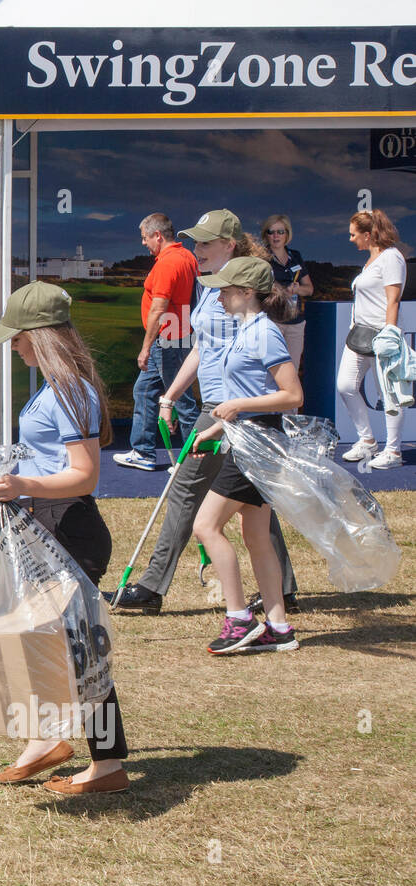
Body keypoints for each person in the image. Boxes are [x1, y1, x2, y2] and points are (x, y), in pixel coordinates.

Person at [0, 281, 129, 794]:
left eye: (18, 336)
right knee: (44, 639)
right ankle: (45, 740)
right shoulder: (54, 387)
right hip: (44, 524)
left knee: (80, 651)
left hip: (67, 527)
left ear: (41, 335)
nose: (13, 345)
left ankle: (106, 765)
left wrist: (24, 484)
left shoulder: (69, 390)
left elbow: (84, 475)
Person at [111, 210, 298, 615]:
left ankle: (152, 586)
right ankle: (283, 589)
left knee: (187, 490)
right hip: (219, 406)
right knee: (251, 498)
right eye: (196, 241)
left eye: (205, 242)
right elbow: (202, 347)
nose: (197, 249)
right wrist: (169, 396)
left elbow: (249, 358)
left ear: (229, 245)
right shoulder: (211, 285)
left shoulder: (240, 289)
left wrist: (231, 410)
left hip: (229, 409)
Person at [190, 258, 303, 653]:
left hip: (259, 443)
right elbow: (253, 395)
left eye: (225, 290)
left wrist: (236, 406)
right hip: (249, 438)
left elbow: (292, 395)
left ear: (247, 292)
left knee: (205, 526)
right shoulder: (248, 330)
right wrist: (216, 428)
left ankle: (239, 619)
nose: (218, 297)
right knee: (255, 536)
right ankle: (279, 626)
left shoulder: (264, 333)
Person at [114, 213, 200, 471]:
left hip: (168, 340)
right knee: (143, 391)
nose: (143, 243)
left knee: (182, 400)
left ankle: (195, 463)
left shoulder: (168, 263)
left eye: (145, 237)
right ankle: (143, 452)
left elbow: (158, 308)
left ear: (158, 235)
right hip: (177, 336)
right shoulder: (186, 257)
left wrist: (145, 348)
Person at [337, 209, 408, 470]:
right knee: (345, 386)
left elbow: (393, 300)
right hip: (359, 336)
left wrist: (389, 334)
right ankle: (367, 441)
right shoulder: (371, 260)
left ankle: (393, 451)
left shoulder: (391, 257)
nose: (350, 239)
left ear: (368, 235)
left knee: (388, 395)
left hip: (381, 337)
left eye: (353, 234)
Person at [261, 214, 313, 371]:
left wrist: (297, 289)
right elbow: (257, 288)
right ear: (266, 235)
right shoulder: (262, 258)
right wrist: (280, 291)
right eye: (271, 232)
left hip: (295, 323)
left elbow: (309, 289)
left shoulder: (295, 256)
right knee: (270, 370)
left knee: (292, 369)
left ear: (287, 234)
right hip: (271, 322)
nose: (276, 236)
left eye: (280, 232)